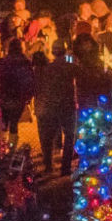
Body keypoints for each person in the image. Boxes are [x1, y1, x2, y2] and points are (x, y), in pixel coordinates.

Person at [33, 43, 78, 174]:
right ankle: (65, 167)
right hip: (68, 105)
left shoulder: (49, 68)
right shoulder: (70, 67)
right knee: (69, 136)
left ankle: (48, 165)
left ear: (53, 53)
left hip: (53, 105)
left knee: (49, 136)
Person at [0, 39, 36, 143]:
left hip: (5, 96)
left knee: (4, 122)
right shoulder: (25, 62)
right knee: (14, 123)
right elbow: (30, 79)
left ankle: (2, 145)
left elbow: (0, 78)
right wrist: (29, 95)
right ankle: (11, 146)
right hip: (18, 97)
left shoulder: (5, 61)